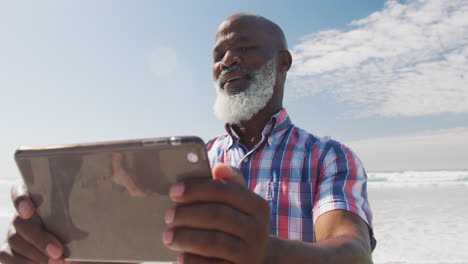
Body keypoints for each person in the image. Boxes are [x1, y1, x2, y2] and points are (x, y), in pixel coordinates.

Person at [0, 12, 375, 264]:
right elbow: (133, 242)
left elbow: (354, 252)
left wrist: (267, 254)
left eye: (243, 48)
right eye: (218, 54)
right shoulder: (194, 161)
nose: (228, 60)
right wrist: (53, 237)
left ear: (283, 63)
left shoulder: (327, 157)